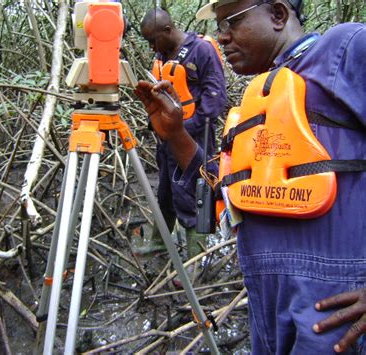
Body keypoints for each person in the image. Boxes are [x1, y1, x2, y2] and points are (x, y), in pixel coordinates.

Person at [135, 0, 365, 353]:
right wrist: (176, 134)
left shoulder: (346, 49)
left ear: (277, 14)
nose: (222, 38)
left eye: (232, 22)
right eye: (219, 26)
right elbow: (225, 193)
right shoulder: (258, 99)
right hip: (268, 309)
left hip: (334, 313)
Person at [136, 8, 227, 261]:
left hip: (194, 139)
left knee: (196, 196)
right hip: (166, 139)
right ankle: (160, 242)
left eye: (154, 39)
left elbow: (216, 98)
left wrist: (184, 130)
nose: (152, 46)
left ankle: (198, 258)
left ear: (167, 30)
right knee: (165, 192)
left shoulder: (201, 50)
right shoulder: (162, 53)